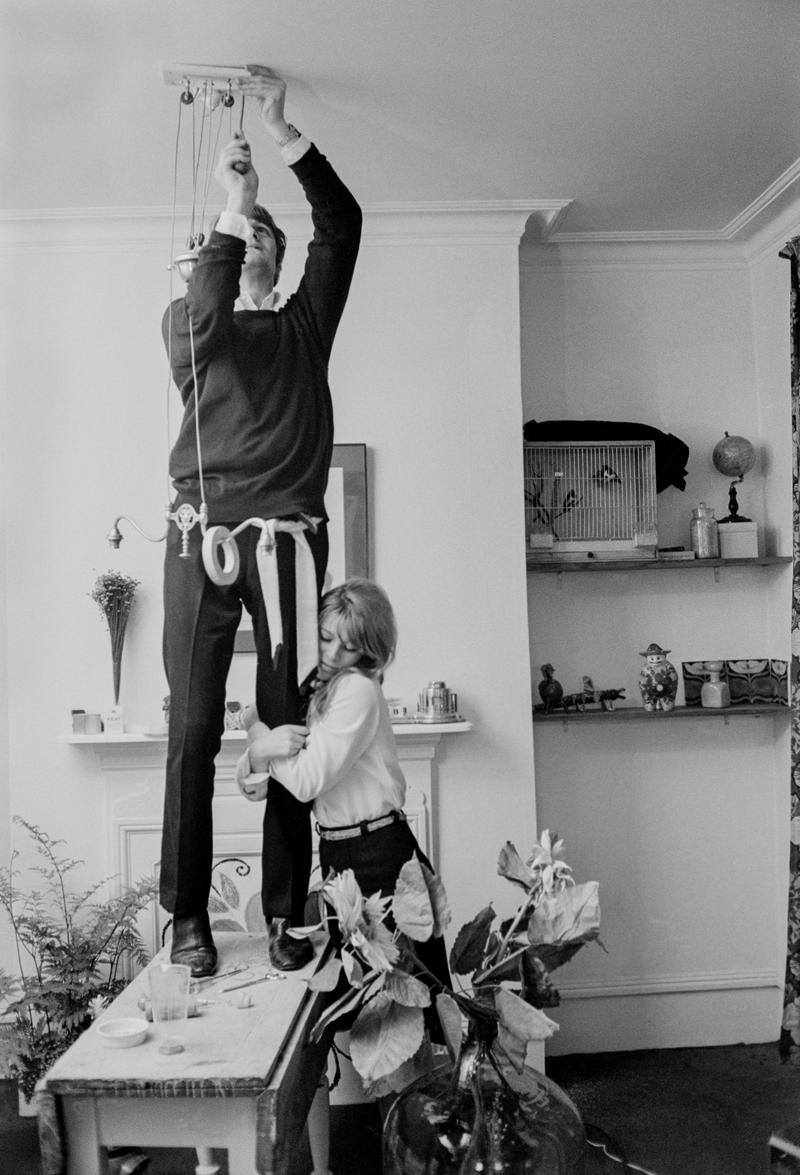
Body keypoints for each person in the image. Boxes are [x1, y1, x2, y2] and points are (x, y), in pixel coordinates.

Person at [160, 65, 362, 978]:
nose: (256, 246)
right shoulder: (193, 322)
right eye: (244, 241)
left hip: (289, 539)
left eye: (266, 236)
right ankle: (187, 918)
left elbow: (344, 224)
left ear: (280, 259)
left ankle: (287, 911)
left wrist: (283, 135)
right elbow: (204, 312)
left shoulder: (305, 326)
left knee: (287, 727)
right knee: (196, 728)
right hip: (199, 536)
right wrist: (232, 209)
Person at [235, 578, 452, 995]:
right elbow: (270, 780)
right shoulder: (319, 688)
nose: (333, 654)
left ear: (369, 651)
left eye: (349, 647)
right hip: (340, 851)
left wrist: (258, 736)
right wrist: (256, 753)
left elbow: (303, 781)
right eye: (325, 637)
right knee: (369, 1007)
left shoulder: (357, 690)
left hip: (380, 854)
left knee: (406, 1006)